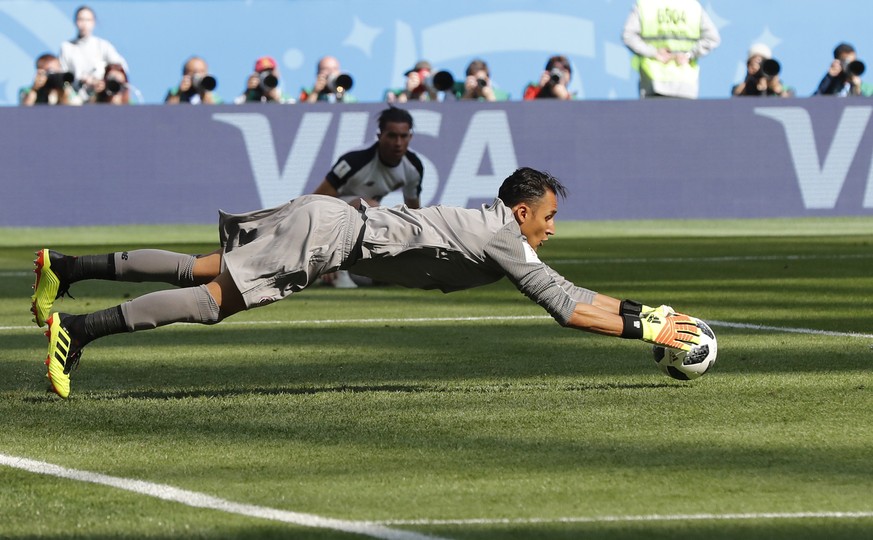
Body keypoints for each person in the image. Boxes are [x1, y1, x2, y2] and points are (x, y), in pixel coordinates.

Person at [31, 167, 701, 399]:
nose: (553, 228)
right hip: (331, 235)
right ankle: (78, 331)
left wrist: (647, 311)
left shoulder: (501, 230)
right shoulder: (505, 238)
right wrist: (647, 328)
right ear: (524, 211)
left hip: (330, 224)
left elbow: (572, 289)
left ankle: (64, 268)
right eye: (550, 217)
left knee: (200, 269)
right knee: (212, 303)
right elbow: (565, 307)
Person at [312, 106, 424, 288]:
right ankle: (330, 266)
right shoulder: (355, 160)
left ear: (410, 137)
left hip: (363, 223)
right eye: (392, 135)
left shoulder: (413, 167)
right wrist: (321, 248)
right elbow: (316, 202)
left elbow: (415, 214)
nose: (398, 143)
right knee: (370, 208)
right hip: (332, 217)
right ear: (380, 136)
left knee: (395, 229)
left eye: (403, 136)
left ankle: (357, 271)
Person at [621, 0, 721, 99]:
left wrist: (654, 53)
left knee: (654, 115)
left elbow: (628, 36)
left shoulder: (645, 5)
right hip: (685, 81)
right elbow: (712, 38)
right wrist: (689, 54)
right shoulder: (692, 6)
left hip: (653, 79)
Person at [59, 5, 129, 102]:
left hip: (101, 96)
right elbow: (63, 76)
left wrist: (104, 81)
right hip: (76, 98)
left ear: (94, 22)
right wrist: (82, 80)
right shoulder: (66, 47)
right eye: (81, 19)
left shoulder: (103, 45)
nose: (84, 24)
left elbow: (121, 68)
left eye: (88, 20)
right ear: (75, 21)